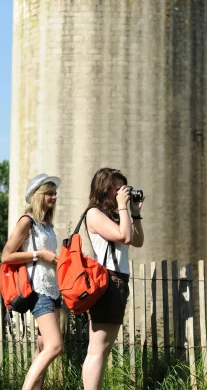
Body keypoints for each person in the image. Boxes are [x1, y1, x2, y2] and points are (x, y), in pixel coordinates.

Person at [82, 167, 145, 390]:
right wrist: (122, 207)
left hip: (117, 282)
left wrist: (134, 212)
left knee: (101, 349)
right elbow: (124, 236)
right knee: (98, 349)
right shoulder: (94, 214)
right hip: (108, 281)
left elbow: (137, 241)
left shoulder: (115, 215)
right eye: (118, 188)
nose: (123, 193)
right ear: (105, 189)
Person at [1, 173, 63, 390]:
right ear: (38, 196)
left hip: (54, 289)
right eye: (49, 193)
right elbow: (6, 255)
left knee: (43, 347)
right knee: (55, 346)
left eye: (55, 193)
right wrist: (40, 255)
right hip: (38, 290)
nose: (54, 197)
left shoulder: (47, 225)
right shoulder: (27, 222)